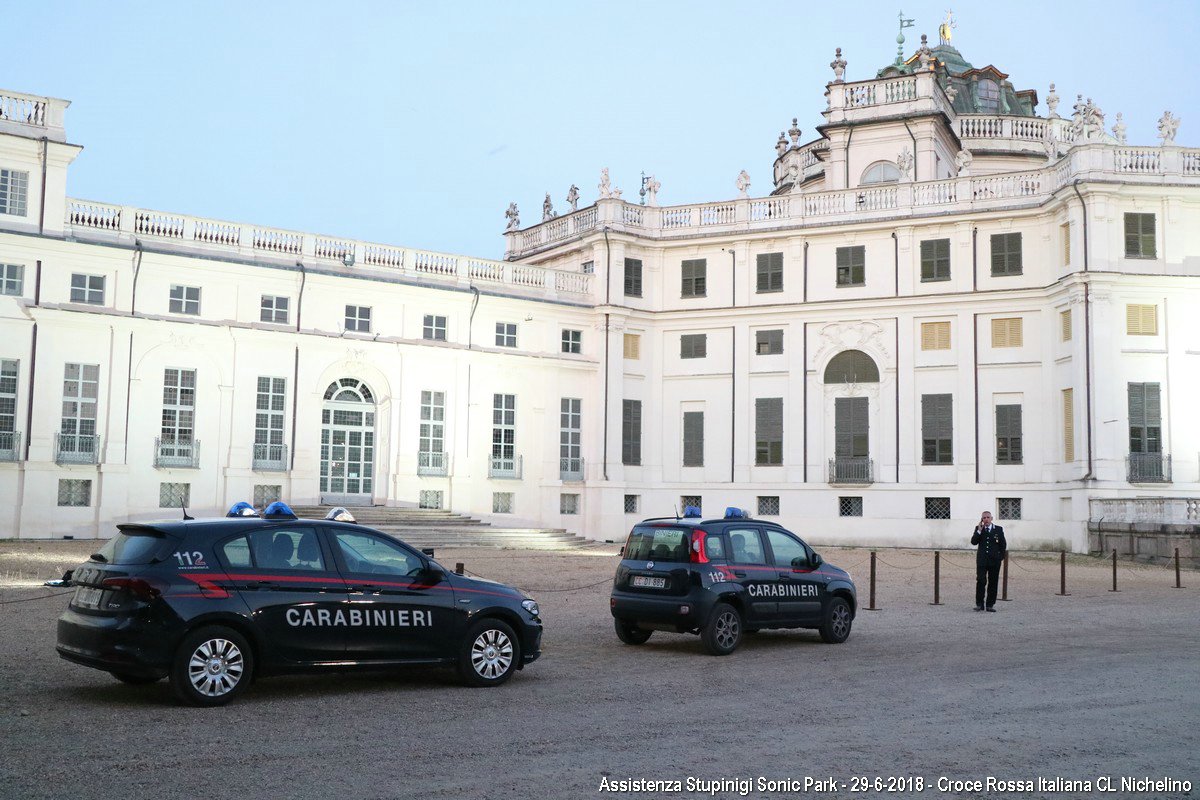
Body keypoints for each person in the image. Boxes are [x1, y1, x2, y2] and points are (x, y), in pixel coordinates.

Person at [971, 511, 1006, 612]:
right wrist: (978, 531)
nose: (986, 519)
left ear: (991, 518)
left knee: (993, 582)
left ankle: (990, 604)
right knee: (981, 581)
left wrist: (1000, 557)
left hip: (994, 560)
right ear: (982, 519)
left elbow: (1003, 544)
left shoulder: (998, 529)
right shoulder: (979, 529)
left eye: (988, 517)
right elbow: (973, 542)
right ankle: (979, 604)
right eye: (984, 518)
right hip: (982, 560)